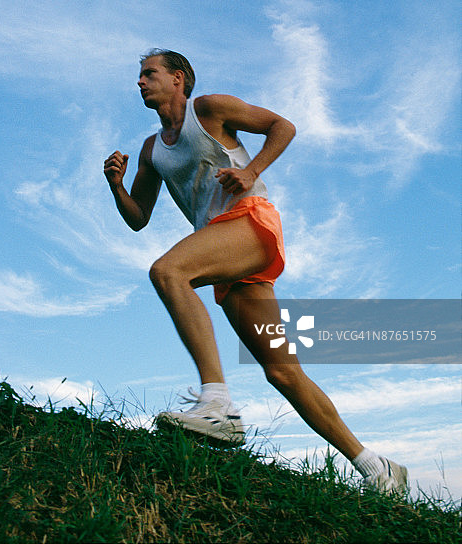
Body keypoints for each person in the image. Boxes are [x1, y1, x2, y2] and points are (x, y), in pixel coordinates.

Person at [103, 49, 408, 495]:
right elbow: (137, 217)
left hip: (249, 223)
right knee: (282, 372)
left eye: (149, 74)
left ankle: (217, 403)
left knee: (169, 272)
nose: (140, 82)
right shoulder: (151, 151)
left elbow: (283, 127)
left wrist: (250, 170)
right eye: (139, 77)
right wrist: (115, 186)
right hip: (226, 252)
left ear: (178, 79)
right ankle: (377, 468)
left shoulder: (208, 109)